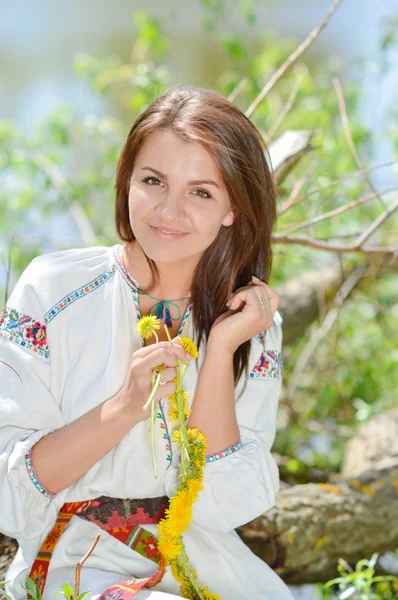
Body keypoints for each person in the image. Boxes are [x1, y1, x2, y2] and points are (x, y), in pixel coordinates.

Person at [0, 85, 294, 600]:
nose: (168, 211)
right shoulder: (54, 290)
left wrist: (222, 349)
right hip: (77, 559)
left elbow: (222, 507)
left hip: (208, 563)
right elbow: (7, 494)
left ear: (232, 209)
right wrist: (122, 408)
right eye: (153, 181)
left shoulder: (253, 323)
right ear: (127, 182)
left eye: (201, 192)